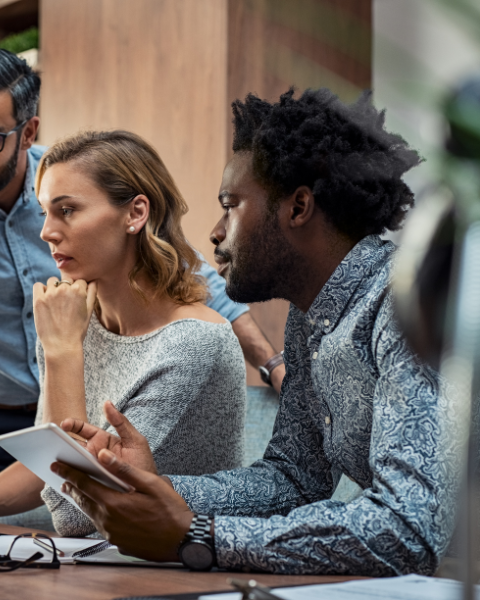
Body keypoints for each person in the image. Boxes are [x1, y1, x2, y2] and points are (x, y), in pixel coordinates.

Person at [51, 88, 460, 576]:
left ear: (298, 206)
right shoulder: (310, 318)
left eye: (231, 205)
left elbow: (405, 528)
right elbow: (293, 480)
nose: (216, 233)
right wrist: (154, 485)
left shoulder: (402, 306)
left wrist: (199, 536)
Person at [0, 45, 283, 493]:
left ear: (27, 133)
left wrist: (274, 364)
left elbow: (197, 281)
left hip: (85, 413)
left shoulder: (74, 180)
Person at [0, 130, 246, 535]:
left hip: (178, 572)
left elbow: (78, 513)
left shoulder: (194, 343)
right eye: (44, 213)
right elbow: (48, 461)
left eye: (67, 210)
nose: (46, 232)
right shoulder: (75, 322)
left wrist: (61, 352)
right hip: (104, 562)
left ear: (135, 213)